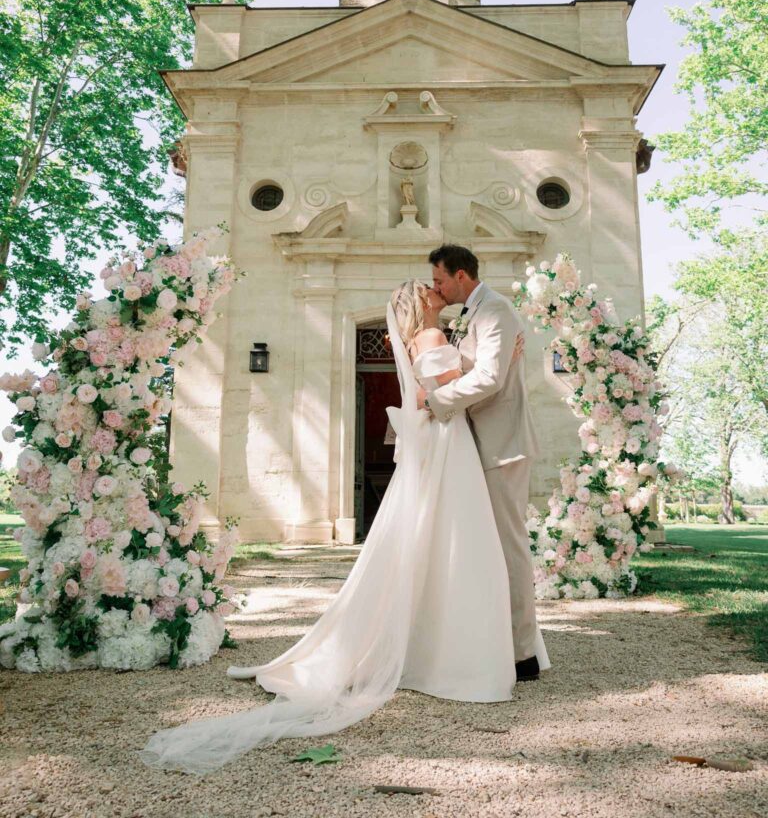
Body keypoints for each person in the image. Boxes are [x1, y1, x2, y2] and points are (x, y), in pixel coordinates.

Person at [141, 280, 548, 775]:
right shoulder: (434, 339)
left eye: (436, 282)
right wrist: (488, 369)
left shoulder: (440, 338)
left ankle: (437, 638)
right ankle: (455, 648)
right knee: (459, 543)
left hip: (450, 443)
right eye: (430, 289)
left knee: (442, 539)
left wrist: (494, 363)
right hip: (449, 440)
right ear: (421, 305)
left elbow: (456, 381)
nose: (438, 289)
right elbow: (435, 395)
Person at [425, 244, 543, 682]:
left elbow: (491, 378)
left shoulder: (495, 310)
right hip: (476, 444)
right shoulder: (470, 315)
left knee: (510, 548)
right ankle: (494, 641)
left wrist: (435, 401)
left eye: (440, 280)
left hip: (503, 444)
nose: (435, 287)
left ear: (461, 275)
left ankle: (523, 655)